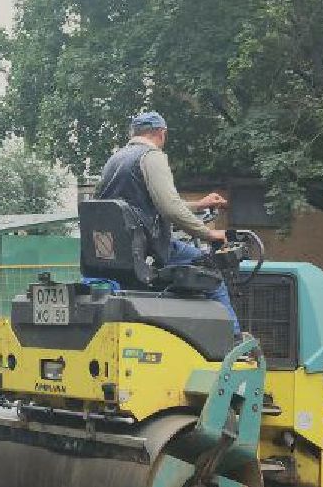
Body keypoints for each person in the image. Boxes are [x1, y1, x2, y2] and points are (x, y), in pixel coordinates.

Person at [94, 110, 238, 333]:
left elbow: (143, 204)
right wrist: (209, 234)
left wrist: (198, 204)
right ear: (161, 133)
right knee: (210, 274)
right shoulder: (151, 156)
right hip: (148, 249)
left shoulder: (115, 160)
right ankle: (233, 340)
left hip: (114, 253)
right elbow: (169, 209)